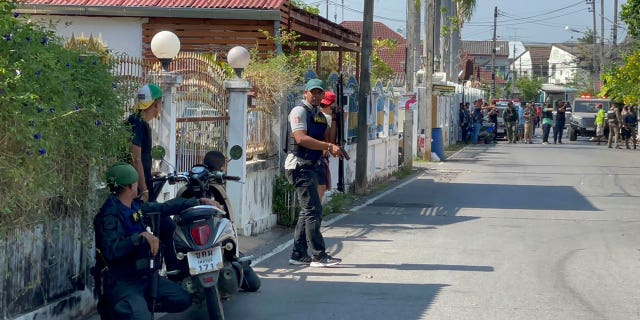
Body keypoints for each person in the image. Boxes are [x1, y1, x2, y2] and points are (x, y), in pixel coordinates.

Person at [93, 163, 218, 320]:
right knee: (140, 316)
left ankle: (138, 306)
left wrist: (199, 201)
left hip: (145, 277)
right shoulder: (109, 215)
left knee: (182, 299)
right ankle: (121, 309)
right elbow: (111, 251)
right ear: (131, 186)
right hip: (123, 282)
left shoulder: (134, 206)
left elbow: (164, 207)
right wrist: (138, 238)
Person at [285, 78, 343, 267]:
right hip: (299, 165)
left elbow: (329, 139)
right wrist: (328, 145)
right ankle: (318, 255)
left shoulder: (318, 114)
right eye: (314, 92)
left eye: (320, 93)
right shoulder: (299, 111)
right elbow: (300, 138)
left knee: (308, 211)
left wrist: (335, 119)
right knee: (313, 210)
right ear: (306, 93)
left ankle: (298, 254)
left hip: (312, 164)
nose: (317, 96)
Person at [126, 83, 181, 272]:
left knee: (162, 228)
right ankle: (172, 273)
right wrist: (144, 189)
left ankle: (164, 272)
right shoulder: (137, 124)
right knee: (167, 227)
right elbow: (135, 157)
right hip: (137, 194)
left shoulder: (136, 122)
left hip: (134, 191)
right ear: (156, 104)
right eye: (160, 103)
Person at [318, 91, 338, 202]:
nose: (323, 107)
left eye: (326, 105)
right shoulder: (325, 118)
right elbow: (331, 141)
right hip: (319, 158)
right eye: (322, 104)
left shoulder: (318, 115)